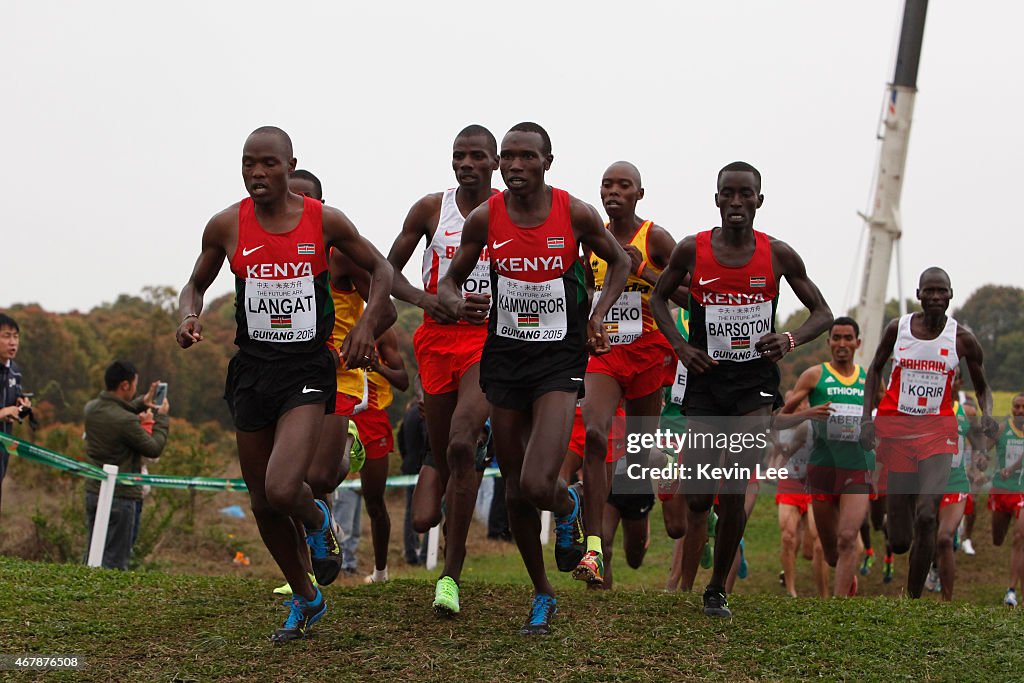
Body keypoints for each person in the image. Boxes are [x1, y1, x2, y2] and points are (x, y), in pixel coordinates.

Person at [175, 126, 395, 642]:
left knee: (281, 487)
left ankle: (318, 518)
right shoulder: (227, 224)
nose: (257, 173)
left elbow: (382, 270)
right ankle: (306, 596)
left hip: (306, 368)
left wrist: (366, 326)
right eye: (249, 163)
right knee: (260, 502)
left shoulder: (325, 222)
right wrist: (188, 316)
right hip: (252, 370)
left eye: (268, 163)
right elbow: (195, 284)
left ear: (290, 165)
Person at [438, 122, 629, 634]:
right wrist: (461, 303)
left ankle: (567, 508)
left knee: (538, 481)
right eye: (508, 157)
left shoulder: (575, 213)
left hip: (558, 361)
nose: (516, 166)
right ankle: (543, 591)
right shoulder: (486, 217)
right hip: (504, 359)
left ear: (548, 161)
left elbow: (620, 261)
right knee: (516, 492)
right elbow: (451, 282)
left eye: (527, 157)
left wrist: (597, 316)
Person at [650, 161, 833, 617]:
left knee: (734, 485)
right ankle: (710, 531)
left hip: (754, 386)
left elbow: (823, 313)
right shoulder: (693, 250)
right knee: (697, 496)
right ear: (716, 199)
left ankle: (716, 589)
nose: (736, 202)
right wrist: (681, 348)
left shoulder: (778, 255)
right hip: (707, 382)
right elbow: (657, 296)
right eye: (727, 194)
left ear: (758, 200)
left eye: (745, 194)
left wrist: (789, 339)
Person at [385, 125, 499, 615]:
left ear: (495, 162)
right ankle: (461, 454)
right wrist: (428, 300)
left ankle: (450, 576)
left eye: (477, 156)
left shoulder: (511, 211)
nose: (466, 163)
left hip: (489, 342)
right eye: (459, 155)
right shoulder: (431, 208)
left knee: (461, 442)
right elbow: (388, 272)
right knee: (422, 515)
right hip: (434, 341)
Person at [575, 161, 682, 585]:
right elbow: (583, 290)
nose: (613, 191)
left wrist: (644, 271)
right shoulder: (592, 237)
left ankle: (638, 522)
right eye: (607, 184)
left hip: (648, 356)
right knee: (596, 436)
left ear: (640, 193)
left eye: (624, 185)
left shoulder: (655, 237)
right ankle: (596, 550)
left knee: (635, 459)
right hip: (604, 355)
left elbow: (692, 297)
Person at [860, 267, 996, 599]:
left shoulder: (962, 339)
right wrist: (867, 418)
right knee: (901, 540)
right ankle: (896, 529)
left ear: (950, 295)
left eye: (941, 292)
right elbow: (875, 368)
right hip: (897, 433)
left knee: (926, 516)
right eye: (929, 291)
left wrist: (988, 415)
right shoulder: (899, 328)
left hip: (938, 433)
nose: (935, 297)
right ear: (919, 295)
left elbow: (983, 388)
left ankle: (913, 599)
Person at [779, 316, 873, 597]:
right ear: (829, 342)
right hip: (822, 470)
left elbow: (888, 416)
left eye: (848, 338)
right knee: (831, 553)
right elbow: (777, 420)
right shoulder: (814, 376)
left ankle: (840, 602)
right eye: (837, 338)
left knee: (847, 539)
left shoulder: (868, 380)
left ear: (858, 343)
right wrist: (808, 413)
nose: (842, 344)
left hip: (857, 469)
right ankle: (846, 579)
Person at [82, 361, 169, 570]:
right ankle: (106, 600)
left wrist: (143, 401)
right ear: (124, 385)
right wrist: (162, 419)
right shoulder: (126, 422)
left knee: (94, 553)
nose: (135, 389)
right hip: (121, 496)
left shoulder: (91, 408)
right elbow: (153, 448)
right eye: (134, 385)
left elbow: (118, 409)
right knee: (115, 561)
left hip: (94, 490)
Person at [355, 327, 409, 584]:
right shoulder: (329, 320)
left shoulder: (382, 332)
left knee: (374, 500)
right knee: (316, 485)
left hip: (372, 419)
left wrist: (376, 365)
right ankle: (309, 571)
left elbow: (403, 380)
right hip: (335, 413)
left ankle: (380, 571)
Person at [988, 393, 1024, 607]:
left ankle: (1011, 590)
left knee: (1019, 538)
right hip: (1001, 491)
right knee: (997, 539)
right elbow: (983, 449)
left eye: (1023, 407)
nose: (1020, 411)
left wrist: (1011, 469)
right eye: (1016, 407)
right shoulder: (1002, 429)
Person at [0, 313, 30, 515]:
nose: (12, 342)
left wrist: (22, 407)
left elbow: (13, 407)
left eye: (16, 336)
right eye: (6, 336)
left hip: (3, 451)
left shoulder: (14, 371)